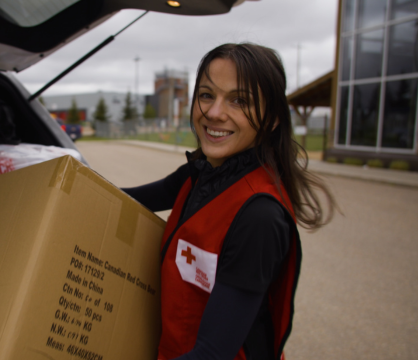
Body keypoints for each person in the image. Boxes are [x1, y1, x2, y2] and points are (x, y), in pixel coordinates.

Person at [122, 43, 335, 360]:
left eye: (239, 100)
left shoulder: (259, 217)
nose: (214, 112)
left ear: (273, 119)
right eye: (207, 95)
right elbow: (120, 199)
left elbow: (213, 353)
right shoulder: (197, 175)